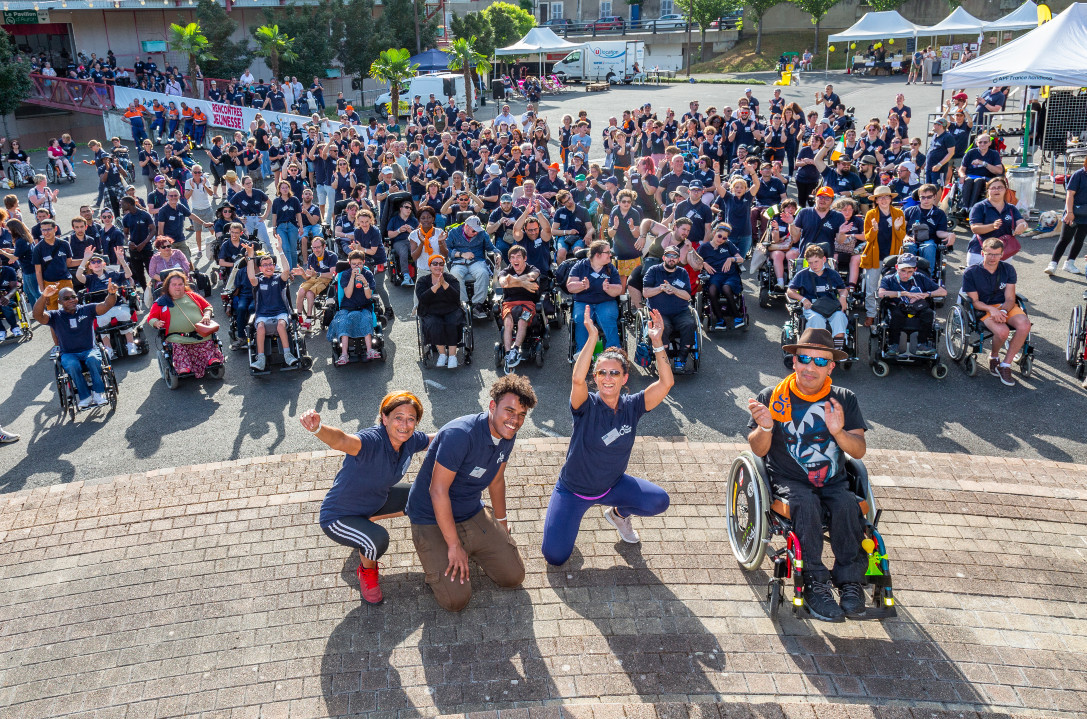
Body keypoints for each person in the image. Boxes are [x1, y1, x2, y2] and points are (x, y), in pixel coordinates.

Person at [747, 327, 869, 621]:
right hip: (789, 481)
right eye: (804, 358)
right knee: (807, 505)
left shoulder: (844, 398)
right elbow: (758, 450)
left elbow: (859, 451)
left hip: (833, 479)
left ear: (831, 366)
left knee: (846, 505)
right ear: (794, 361)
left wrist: (838, 432)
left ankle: (850, 581)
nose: (810, 367)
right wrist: (765, 427)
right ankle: (815, 583)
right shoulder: (771, 396)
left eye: (819, 361)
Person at [541, 306, 673, 565]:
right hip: (572, 491)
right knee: (555, 556)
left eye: (615, 373)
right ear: (595, 377)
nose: (608, 378)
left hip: (612, 486)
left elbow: (666, 383)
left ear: (625, 378)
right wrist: (592, 338)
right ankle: (562, 524)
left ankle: (618, 514)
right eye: (602, 372)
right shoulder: (585, 405)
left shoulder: (633, 406)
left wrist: (657, 342)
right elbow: (577, 381)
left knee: (659, 501)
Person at [405, 375, 537, 611]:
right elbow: (438, 491)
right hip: (430, 517)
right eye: (509, 411)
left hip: (469, 510)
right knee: (456, 600)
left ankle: (469, 546)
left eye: (521, 415)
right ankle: (450, 548)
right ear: (492, 406)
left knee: (513, 576)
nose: (514, 420)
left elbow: (496, 480)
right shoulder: (460, 435)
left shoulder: (508, 432)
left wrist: (502, 522)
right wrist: (453, 545)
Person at [302, 393, 433, 604]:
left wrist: (471, 432)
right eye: (398, 417)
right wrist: (318, 428)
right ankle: (367, 572)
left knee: (424, 496)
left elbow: (435, 440)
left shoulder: (410, 440)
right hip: (339, 516)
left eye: (411, 419)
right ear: (384, 418)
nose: (405, 424)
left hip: (375, 502)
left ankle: (365, 528)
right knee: (377, 540)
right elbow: (342, 440)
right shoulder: (371, 441)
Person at [33, 283, 118, 408]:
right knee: (72, 365)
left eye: (73, 296)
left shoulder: (87, 309)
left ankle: (98, 393)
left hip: (89, 349)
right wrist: (43, 296)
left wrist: (111, 294)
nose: (71, 300)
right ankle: (85, 397)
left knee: (93, 360)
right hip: (68, 353)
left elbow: (107, 305)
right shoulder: (55, 316)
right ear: (60, 301)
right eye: (66, 298)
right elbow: (37, 316)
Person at [961, 237, 1031, 387]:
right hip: (984, 307)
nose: (993, 258)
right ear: (982, 253)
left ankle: (1005, 365)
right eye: (989, 254)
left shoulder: (1008, 269)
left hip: (1005, 305)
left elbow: (1010, 298)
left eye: (997, 254)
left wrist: (1003, 311)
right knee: (1003, 332)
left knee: (1025, 325)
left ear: (1002, 255)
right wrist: (992, 310)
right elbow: (975, 301)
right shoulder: (971, 273)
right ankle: (993, 357)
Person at [147, 270, 225, 377]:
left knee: (207, 340)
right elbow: (151, 318)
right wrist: (156, 322)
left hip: (199, 333)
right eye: (174, 284)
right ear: (168, 286)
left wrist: (207, 315)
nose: (177, 287)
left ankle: (212, 359)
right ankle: (183, 366)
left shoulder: (192, 296)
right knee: (178, 346)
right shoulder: (161, 302)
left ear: (184, 285)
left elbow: (207, 306)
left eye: (180, 284)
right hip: (176, 337)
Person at [877, 253, 946, 355]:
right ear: (896, 267)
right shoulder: (889, 279)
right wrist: (902, 294)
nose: (906, 275)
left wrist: (926, 294)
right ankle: (894, 345)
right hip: (897, 306)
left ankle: (922, 344)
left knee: (928, 313)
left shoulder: (920, 277)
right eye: (903, 271)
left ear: (915, 269)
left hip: (917, 307)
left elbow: (943, 292)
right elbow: (881, 293)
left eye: (910, 272)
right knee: (896, 314)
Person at [642, 246, 697, 371]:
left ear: (678, 259)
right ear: (663, 257)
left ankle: (681, 359)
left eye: (675, 256)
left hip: (680, 312)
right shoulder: (653, 271)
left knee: (690, 324)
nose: (671, 259)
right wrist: (660, 288)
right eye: (669, 256)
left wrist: (674, 289)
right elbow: (645, 293)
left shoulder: (682, 273)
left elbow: (688, 295)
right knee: (663, 327)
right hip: (659, 312)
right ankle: (664, 359)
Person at [75, 251, 138, 358]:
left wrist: (122, 260)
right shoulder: (90, 279)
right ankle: (108, 348)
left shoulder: (113, 274)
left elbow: (128, 274)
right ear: (90, 266)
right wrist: (85, 259)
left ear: (104, 264)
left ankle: (130, 344)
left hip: (118, 304)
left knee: (124, 315)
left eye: (98, 261)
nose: (96, 263)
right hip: (101, 307)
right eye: (93, 262)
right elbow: (78, 276)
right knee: (102, 320)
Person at [246, 245, 299, 370]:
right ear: (260, 268)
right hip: (263, 314)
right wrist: (250, 257)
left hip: (280, 312)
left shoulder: (279, 279)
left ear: (274, 266)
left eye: (270, 264)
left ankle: (287, 354)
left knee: (281, 325)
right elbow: (251, 277)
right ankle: (261, 359)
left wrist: (280, 250)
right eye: (265, 265)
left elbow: (286, 270)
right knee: (260, 328)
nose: (268, 267)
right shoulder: (258, 281)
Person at [860, 185, 906, 326]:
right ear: (876, 201)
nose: (884, 200)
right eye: (880, 197)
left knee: (893, 288)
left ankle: (892, 314)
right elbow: (868, 238)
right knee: (871, 288)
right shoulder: (871, 214)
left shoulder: (898, 213)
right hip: (875, 256)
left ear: (891, 199)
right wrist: (874, 229)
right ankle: (871, 314)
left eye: (887, 197)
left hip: (892, 258)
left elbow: (902, 236)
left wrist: (897, 228)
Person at [788, 245, 849, 347]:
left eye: (816, 261)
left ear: (823, 259)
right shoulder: (802, 274)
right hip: (812, 305)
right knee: (816, 319)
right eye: (810, 262)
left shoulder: (832, 274)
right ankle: (817, 347)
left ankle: (838, 348)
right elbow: (790, 291)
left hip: (830, 305)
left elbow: (842, 289)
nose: (814, 265)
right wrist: (803, 299)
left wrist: (843, 298)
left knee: (839, 316)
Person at [566, 240, 622, 352]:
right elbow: (570, 286)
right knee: (581, 319)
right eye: (607, 252)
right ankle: (581, 352)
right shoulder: (580, 266)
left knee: (608, 318)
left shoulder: (610, 268)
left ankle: (614, 351)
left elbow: (619, 289)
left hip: (606, 301)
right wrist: (581, 285)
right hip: (583, 301)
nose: (610, 254)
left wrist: (609, 288)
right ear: (598, 255)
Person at [326, 250, 381, 364]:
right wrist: (352, 277)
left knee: (366, 318)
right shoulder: (345, 274)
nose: (357, 266)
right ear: (350, 263)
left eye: (359, 263)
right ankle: (344, 354)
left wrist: (365, 283)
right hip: (347, 307)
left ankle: (370, 350)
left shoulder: (368, 274)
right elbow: (348, 294)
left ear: (363, 263)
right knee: (344, 321)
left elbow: (368, 296)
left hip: (364, 306)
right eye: (354, 264)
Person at [416, 253, 465, 368]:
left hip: (451, 309)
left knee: (452, 322)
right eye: (435, 264)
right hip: (431, 310)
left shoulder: (451, 279)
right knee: (434, 323)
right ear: (430, 266)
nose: (438, 266)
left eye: (441, 264)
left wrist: (444, 284)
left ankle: (452, 355)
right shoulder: (422, 281)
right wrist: (436, 286)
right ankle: (442, 354)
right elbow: (422, 299)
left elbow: (456, 297)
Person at [967, 176, 1026, 267]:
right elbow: (975, 228)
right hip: (980, 252)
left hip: (1004, 253)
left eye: (1000, 187)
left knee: (1000, 280)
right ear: (988, 190)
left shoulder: (1011, 208)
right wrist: (992, 226)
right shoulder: (979, 207)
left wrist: (1022, 226)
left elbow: (1022, 222)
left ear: (1005, 190)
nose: (997, 190)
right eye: (993, 188)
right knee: (978, 280)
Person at [497, 245, 540, 367]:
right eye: (512, 257)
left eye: (518, 257)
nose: (515, 260)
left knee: (522, 321)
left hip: (528, 303)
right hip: (509, 303)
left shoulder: (533, 269)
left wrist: (513, 280)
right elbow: (503, 283)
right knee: (508, 323)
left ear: (525, 258)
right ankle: (508, 352)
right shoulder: (505, 271)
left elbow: (531, 276)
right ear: (510, 260)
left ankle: (515, 349)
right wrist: (524, 284)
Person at [698, 222, 745, 330]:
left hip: (730, 275)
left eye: (724, 238)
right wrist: (703, 263)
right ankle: (720, 320)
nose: (721, 239)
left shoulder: (728, 245)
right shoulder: (704, 247)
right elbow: (696, 261)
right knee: (712, 291)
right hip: (714, 276)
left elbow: (741, 259)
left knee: (726, 288)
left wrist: (731, 259)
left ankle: (737, 317)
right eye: (719, 236)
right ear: (714, 233)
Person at [446, 215, 495, 319]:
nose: (476, 233)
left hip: (476, 260)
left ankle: (478, 305)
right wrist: (460, 254)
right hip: (459, 261)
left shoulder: (481, 233)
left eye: (477, 230)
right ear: (466, 227)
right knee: (455, 275)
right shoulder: (454, 232)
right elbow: (446, 250)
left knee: (483, 273)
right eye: (474, 231)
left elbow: (491, 248)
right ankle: (462, 304)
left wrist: (497, 254)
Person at [1048, 154, 1087, 276]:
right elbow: (1070, 194)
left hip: (1086, 216)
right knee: (1064, 239)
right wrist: (1069, 212)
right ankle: (1053, 264)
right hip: (1073, 213)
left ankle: (1069, 263)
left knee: (1079, 240)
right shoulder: (1079, 174)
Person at [293, 237, 337, 327]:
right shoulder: (311, 257)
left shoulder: (332, 256)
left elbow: (332, 274)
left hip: (326, 280)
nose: (316, 250)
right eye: (313, 248)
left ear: (324, 246)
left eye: (318, 247)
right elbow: (308, 277)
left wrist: (317, 274)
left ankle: (308, 319)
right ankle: (299, 317)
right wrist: (302, 273)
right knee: (301, 291)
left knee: (309, 293)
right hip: (314, 279)